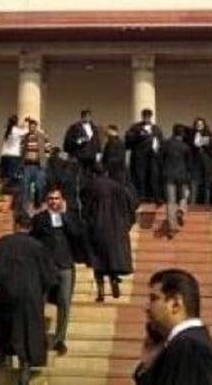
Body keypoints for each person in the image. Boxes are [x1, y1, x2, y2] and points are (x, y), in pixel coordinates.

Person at [0, 211, 59, 384]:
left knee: (7, 325)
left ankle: (4, 355)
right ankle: (25, 366)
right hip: (31, 295)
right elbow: (49, 277)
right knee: (29, 330)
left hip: (9, 293)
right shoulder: (38, 247)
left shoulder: (4, 243)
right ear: (30, 228)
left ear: (15, 225)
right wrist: (44, 296)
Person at [134, 268, 212, 385]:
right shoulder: (193, 345)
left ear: (175, 303)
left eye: (154, 298)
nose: (147, 308)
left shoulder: (190, 348)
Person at [31, 185, 85, 356]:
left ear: (62, 200)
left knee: (64, 303)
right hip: (46, 268)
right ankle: (38, 337)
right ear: (46, 201)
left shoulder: (70, 217)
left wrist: (64, 216)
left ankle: (60, 339)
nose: (54, 202)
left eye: (57, 199)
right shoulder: (39, 219)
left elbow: (77, 234)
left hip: (65, 265)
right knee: (39, 302)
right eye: (51, 199)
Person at [83, 162, 137, 302]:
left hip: (96, 228)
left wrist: (85, 223)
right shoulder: (117, 187)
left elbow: (85, 208)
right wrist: (127, 224)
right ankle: (113, 279)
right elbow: (129, 207)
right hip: (116, 227)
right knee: (112, 259)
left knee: (97, 261)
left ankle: (100, 292)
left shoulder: (90, 186)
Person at [159, 124, 192, 238]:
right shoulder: (185, 147)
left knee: (170, 201)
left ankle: (172, 227)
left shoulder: (165, 144)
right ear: (182, 134)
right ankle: (181, 210)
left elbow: (160, 160)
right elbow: (189, 164)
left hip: (168, 175)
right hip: (182, 175)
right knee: (183, 197)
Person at [125, 109, 164, 200]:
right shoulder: (136, 128)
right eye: (145, 116)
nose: (146, 118)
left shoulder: (156, 129)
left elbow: (161, 141)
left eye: (148, 116)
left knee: (153, 176)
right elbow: (129, 140)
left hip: (152, 157)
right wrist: (139, 135)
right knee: (140, 176)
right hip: (139, 157)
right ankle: (141, 195)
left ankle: (152, 196)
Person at [19, 118, 49, 209]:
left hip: (39, 165)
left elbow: (48, 149)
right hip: (27, 165)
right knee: (25, 186)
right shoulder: (25, 137)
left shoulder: (43, 136)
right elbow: (21, 150)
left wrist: (45, 160)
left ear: (36, 127)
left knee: (39, 186)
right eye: (30, 127)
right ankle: (25, 206)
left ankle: (38, 204)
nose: (31, 128)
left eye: (33, 127)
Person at [63, 108, 101, 176]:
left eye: (89, 116)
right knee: (79, 175)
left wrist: (98, 152)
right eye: (85, 116)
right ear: (82, 117)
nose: (87, 118)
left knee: (89, 175)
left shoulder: (94, 128)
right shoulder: (74, 127)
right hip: (79, 155)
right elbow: (68, 140)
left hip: (91, 156)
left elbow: (97, 141)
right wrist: (79, 141)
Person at [189, 118, 212, 206]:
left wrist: (205, 142)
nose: (199, 126)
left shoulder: (209, 135)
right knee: (194, 183)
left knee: (206, 184)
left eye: (201, 125)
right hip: (195, 162)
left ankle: (206, 203)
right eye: (197, 124)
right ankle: (192, 203)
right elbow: (191, 146)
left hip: (206, 162)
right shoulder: (191, 135)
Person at [0, 114, 27, 187]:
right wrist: (25, 124)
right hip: (13, 155)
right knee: (12, 176)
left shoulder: (6, 130)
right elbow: (26, 131)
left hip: (4, 154)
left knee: (4, 176)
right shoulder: (17, 130)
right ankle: (11, 189)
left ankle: (4, 188)